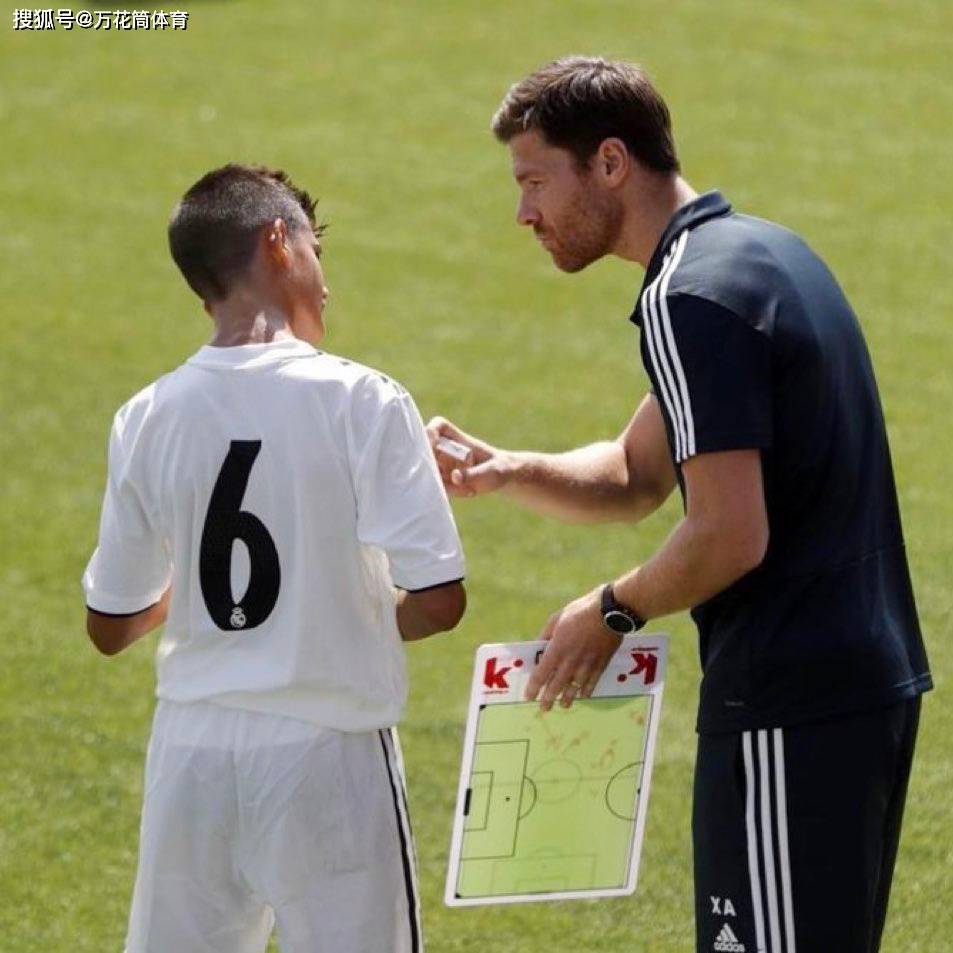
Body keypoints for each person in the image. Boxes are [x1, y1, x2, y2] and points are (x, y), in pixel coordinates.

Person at [428, 57, 931, 953]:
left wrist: (610, 610)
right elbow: (636, 472)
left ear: (609, 162)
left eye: (534, 182)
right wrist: (509, 469)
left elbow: (729, 534)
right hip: (855, 686)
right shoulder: (762, 256)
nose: (523, 214)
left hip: (791, 699)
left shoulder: (687, 297)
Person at [82, 163, 465, 953]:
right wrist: (340, 598)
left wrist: (191, 592)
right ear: (279, 243)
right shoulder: (364, 400)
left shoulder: (144, 415)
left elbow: (110, 624)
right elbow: (440, 599)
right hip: (330, 754)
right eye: (318, 251)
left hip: (190, 755)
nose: (327, 281)